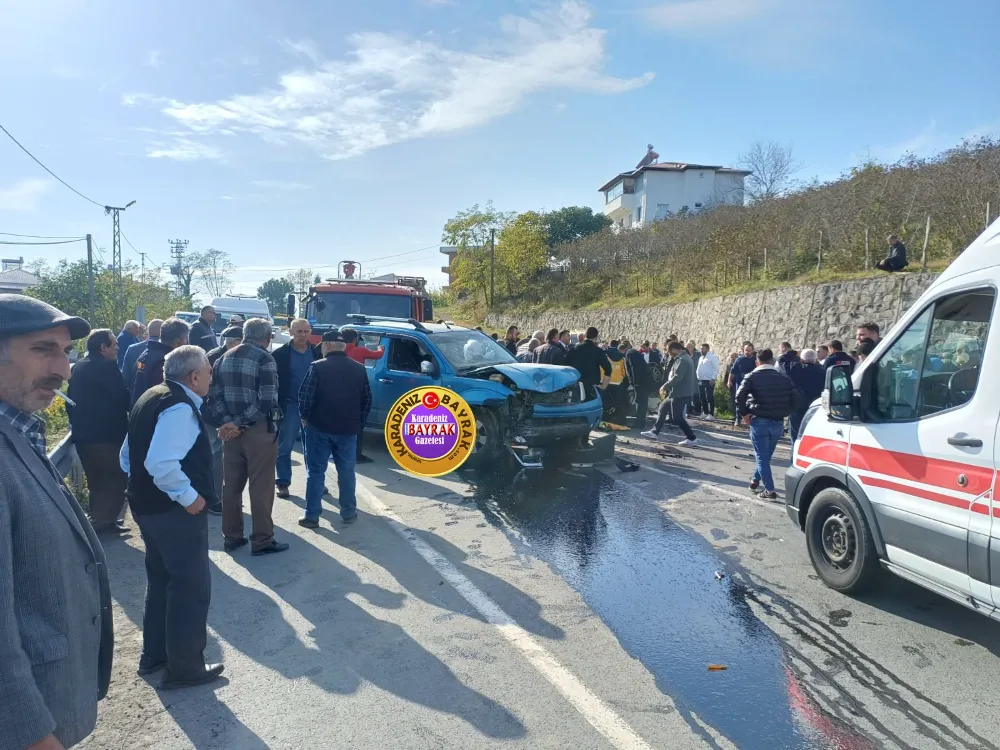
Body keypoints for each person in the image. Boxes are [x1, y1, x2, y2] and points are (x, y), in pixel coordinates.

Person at [0, 294, 113, 749]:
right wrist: (32, 735)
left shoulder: (19, 428)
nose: (63, 369)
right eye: (43, 349)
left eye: (65, 352)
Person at [121, 345, 224, 689]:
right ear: (194, 376)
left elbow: (128, 456)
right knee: (189, 588)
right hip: (174, 512)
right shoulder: (180, 407)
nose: (211, 377)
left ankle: (155, 656)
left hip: (148, 507)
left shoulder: (152, 395)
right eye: (209, 371)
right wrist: (189, 496)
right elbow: (160, 462)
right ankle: (185, 668)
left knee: (163, 581)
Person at [208, 318, 288, 556]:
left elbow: (214, 395)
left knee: (230, 485)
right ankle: (262, 539)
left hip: (230, 431)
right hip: (258, 430)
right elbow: (266, 400)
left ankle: (232, 537)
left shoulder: (224, 357)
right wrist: (240, 422)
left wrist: (227, 422)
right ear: (267, 337)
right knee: (261, 486)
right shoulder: (265, 358)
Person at [298, 329, 372, 528]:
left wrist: (304, 419)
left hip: (319, 429)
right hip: (348, 430)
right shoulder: (359, 369)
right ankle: (349, 511)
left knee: (315, 472)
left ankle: (312, 516)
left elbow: (305, 398)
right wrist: (358, 424)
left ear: (327, 346)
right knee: (347, 472)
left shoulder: (317, 367)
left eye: (322, 346)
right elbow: (367, 400)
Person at [67, 328, 131, 534]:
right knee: (113, 479)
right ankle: (103, 523)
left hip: (84, 434)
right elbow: (121, 398)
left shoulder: (79, 366)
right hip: (107, 435)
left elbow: (71, 401)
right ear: (103, 347)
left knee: (96, 479)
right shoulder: (107, 367)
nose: (118, 347)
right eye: (115, 344)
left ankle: (105, 519)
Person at [736, 348, 802, 499]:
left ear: (757, 362)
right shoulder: (783, 377)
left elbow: (739, 395)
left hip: (759, 420)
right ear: (772, 361)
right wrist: (786, 411)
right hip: (777, 422)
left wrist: (745, 414)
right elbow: (796, 398)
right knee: (765, 457)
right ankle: (754, 480)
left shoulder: (752, 376)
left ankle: (770, 489)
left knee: (761, 457)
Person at [271, 318, 321, 497]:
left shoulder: (317, 353)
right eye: (299, 331)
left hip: (313, 407)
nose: (303, 335)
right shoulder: (280, 355)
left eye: (306, 331)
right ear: (291, 332)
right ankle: (283, 482)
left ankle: (316, 482)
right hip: (290, 405)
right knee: (285, 446)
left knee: (314, 447)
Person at [203, 326, 243, 509]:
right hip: (213, 415)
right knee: (213, 457)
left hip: (225, 415)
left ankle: (219, 496)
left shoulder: (218, 355)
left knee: (223, 458)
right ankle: (213, 498)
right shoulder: (215, 357)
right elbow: (209, 389)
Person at [641, 341, 698, 445]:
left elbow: (678, 377)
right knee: (663, 407)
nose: (668, 353)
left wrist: (665, 385)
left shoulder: (683, 360)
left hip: (681, 392)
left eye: (669, 351)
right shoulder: (682, 358)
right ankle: (654, 432)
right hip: (677, 392)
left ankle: (691, 438)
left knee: (677, 417)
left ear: (674, 350)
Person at [341, 327, 382, 464]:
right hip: (357, 389)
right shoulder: (360, 350)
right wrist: (381, 348)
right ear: (355, 339)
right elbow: (377, 355)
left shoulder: (338, 350)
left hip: (339, 389)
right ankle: (356, 455)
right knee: (358, 422)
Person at [132, 317, 191, 406]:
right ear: (181, 340)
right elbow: (164, 394)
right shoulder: (166, 361)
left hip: (140, 408)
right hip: (155, 413)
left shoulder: (146, 354)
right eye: (186, 338)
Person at [788, 349, 826, 441]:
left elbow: (784, 362)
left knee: (796, 438)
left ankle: (794, 454)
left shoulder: (795, 369)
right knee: (810, 438)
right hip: (814, 408)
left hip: (797, 407)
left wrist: (794, 354)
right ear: (815, 359)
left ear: (802, 359)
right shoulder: (823, 372)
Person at [566, 326, 612, 392]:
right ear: (596, 337)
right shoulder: (598, 351)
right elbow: (608, 368)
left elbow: (565, 365)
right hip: (592, 388)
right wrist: (603, 386)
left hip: (575, 387)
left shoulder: (574, 349)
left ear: (585, 336)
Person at [122, 318, 163, 391]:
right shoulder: (168, 350)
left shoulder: (132, 349)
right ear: (163, 331)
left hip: (136, 396)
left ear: (148, 331)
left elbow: (125, 377)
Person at [728, 342, 757, 426]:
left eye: (749, 350)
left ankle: (751, 419)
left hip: (752, 384)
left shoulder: (755, 360)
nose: (747, 352)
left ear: (752, 350)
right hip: (740, 383)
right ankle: (738, 418)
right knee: (739, 400)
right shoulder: (739, 359)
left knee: (752, 401)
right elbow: (732, 371)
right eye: (745, 350)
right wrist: (729, 381)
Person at [624, 340, 654, 423]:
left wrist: (634, 382)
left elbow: (634, 368)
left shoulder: (629, 354)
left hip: (641, 381)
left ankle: (640, 422)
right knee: (642, 402)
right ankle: (640, 421)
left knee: (641, 402)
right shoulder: (634, 352)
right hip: (645, 380)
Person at [695, 343, 720, 420]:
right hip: (701, 380)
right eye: (701, 348)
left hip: (709, 380)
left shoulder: (712, 357)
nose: (701, 350)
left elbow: (716, 368)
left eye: (703, 349)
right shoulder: (701, 358)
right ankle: (705, 412)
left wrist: (713, 378)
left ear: (707, 349)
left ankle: (711, 414)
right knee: (702, 397)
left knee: (709, 397)